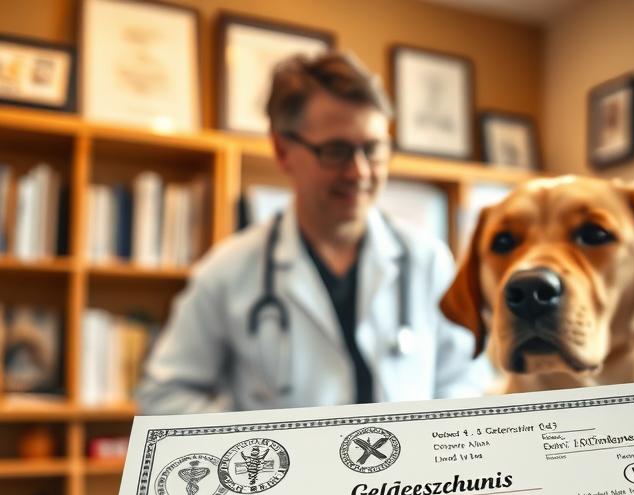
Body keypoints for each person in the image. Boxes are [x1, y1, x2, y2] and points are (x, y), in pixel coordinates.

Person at [136, 51, 486, 414]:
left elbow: (467, 378)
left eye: (373, 149)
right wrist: (254, 440)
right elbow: (162, 396)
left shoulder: (428, 261)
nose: (359, 172)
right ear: (282, 150)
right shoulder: (227, 271)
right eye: (336, 151)